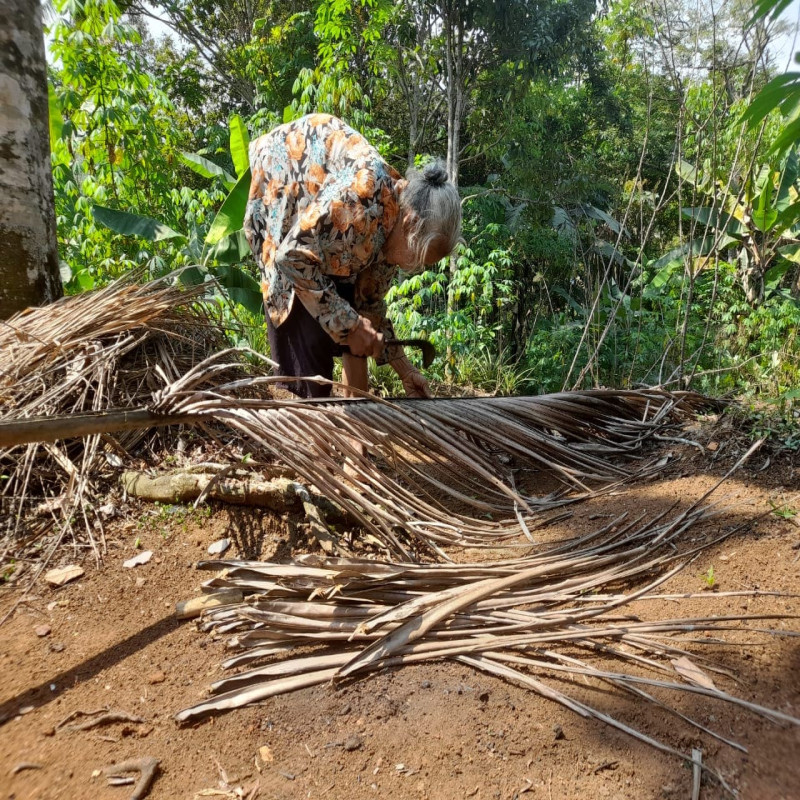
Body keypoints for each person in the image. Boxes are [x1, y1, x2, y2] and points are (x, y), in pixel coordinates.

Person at [243, 113, 461, 399]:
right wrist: (351, 325)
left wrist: (406, 370)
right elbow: (292, 257)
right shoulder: (361, 200)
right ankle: (308, 416)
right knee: (310, 356)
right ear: (410, 224)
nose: (416, 268)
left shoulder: (391, 233)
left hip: (323, 231)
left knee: (350, 319)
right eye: (419, 259)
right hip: (282, 186)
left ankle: (355, 419)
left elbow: (367, 306)